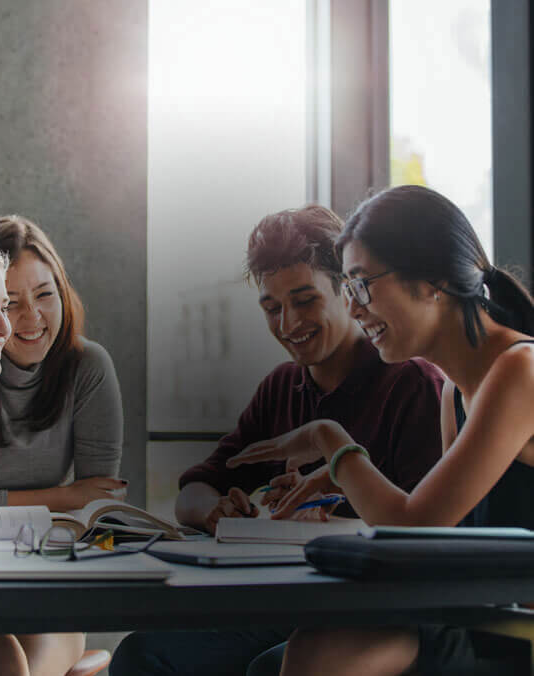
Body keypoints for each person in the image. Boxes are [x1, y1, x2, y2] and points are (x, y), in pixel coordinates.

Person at [110, 205, 445, 676]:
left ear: (347, 293)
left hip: (378, 614)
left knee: (271, 668)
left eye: (305, 301)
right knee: (140, 655)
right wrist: (214, 510)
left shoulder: (410, 382)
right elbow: (194, 490)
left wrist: (327, 510)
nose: (288, 325)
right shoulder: (281, 386)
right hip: (288, 608)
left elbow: (426, 533)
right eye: (272, 308)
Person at [231, 185, 534, 676]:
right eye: (348, 289)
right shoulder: (452, 395)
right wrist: (344, 481)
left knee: (317, 654)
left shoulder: (519, 370)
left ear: (432, 279)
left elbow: (414, 529)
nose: (352, 308)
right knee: (274, 663)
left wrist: (332, 443)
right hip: (480, 619)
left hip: (516, 637)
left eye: (361, 284)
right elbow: (432, 549)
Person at [0, 214, 124, 675]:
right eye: (10, 304)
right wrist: (61, 498)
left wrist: (66, 503)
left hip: (52, 575)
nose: (31, 318)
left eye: (45, 295)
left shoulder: (88, 366)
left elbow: (101, 503)